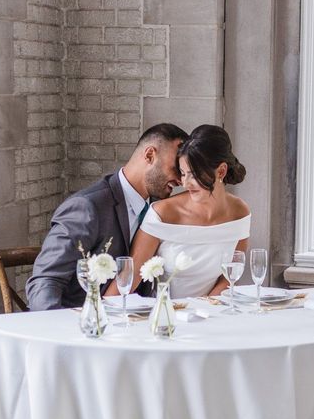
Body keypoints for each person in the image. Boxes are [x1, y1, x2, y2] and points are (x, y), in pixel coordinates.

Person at [26, 123, 188, 310]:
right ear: (150, 155)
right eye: (177, 168)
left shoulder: (157, 210)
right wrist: (60, 333)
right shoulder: (87, 207)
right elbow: (46, 280)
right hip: (82, 325)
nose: (181, 180)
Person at [105, 124, 250, 300]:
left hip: (213, 312)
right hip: (165, 315)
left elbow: (228, 278)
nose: (186, 183)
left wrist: (204, 309)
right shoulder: (163, 213)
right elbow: (131, 275)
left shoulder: (240, 213)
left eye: (194, 175)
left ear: (221, 171)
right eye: (183, 173)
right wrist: (103, 314)